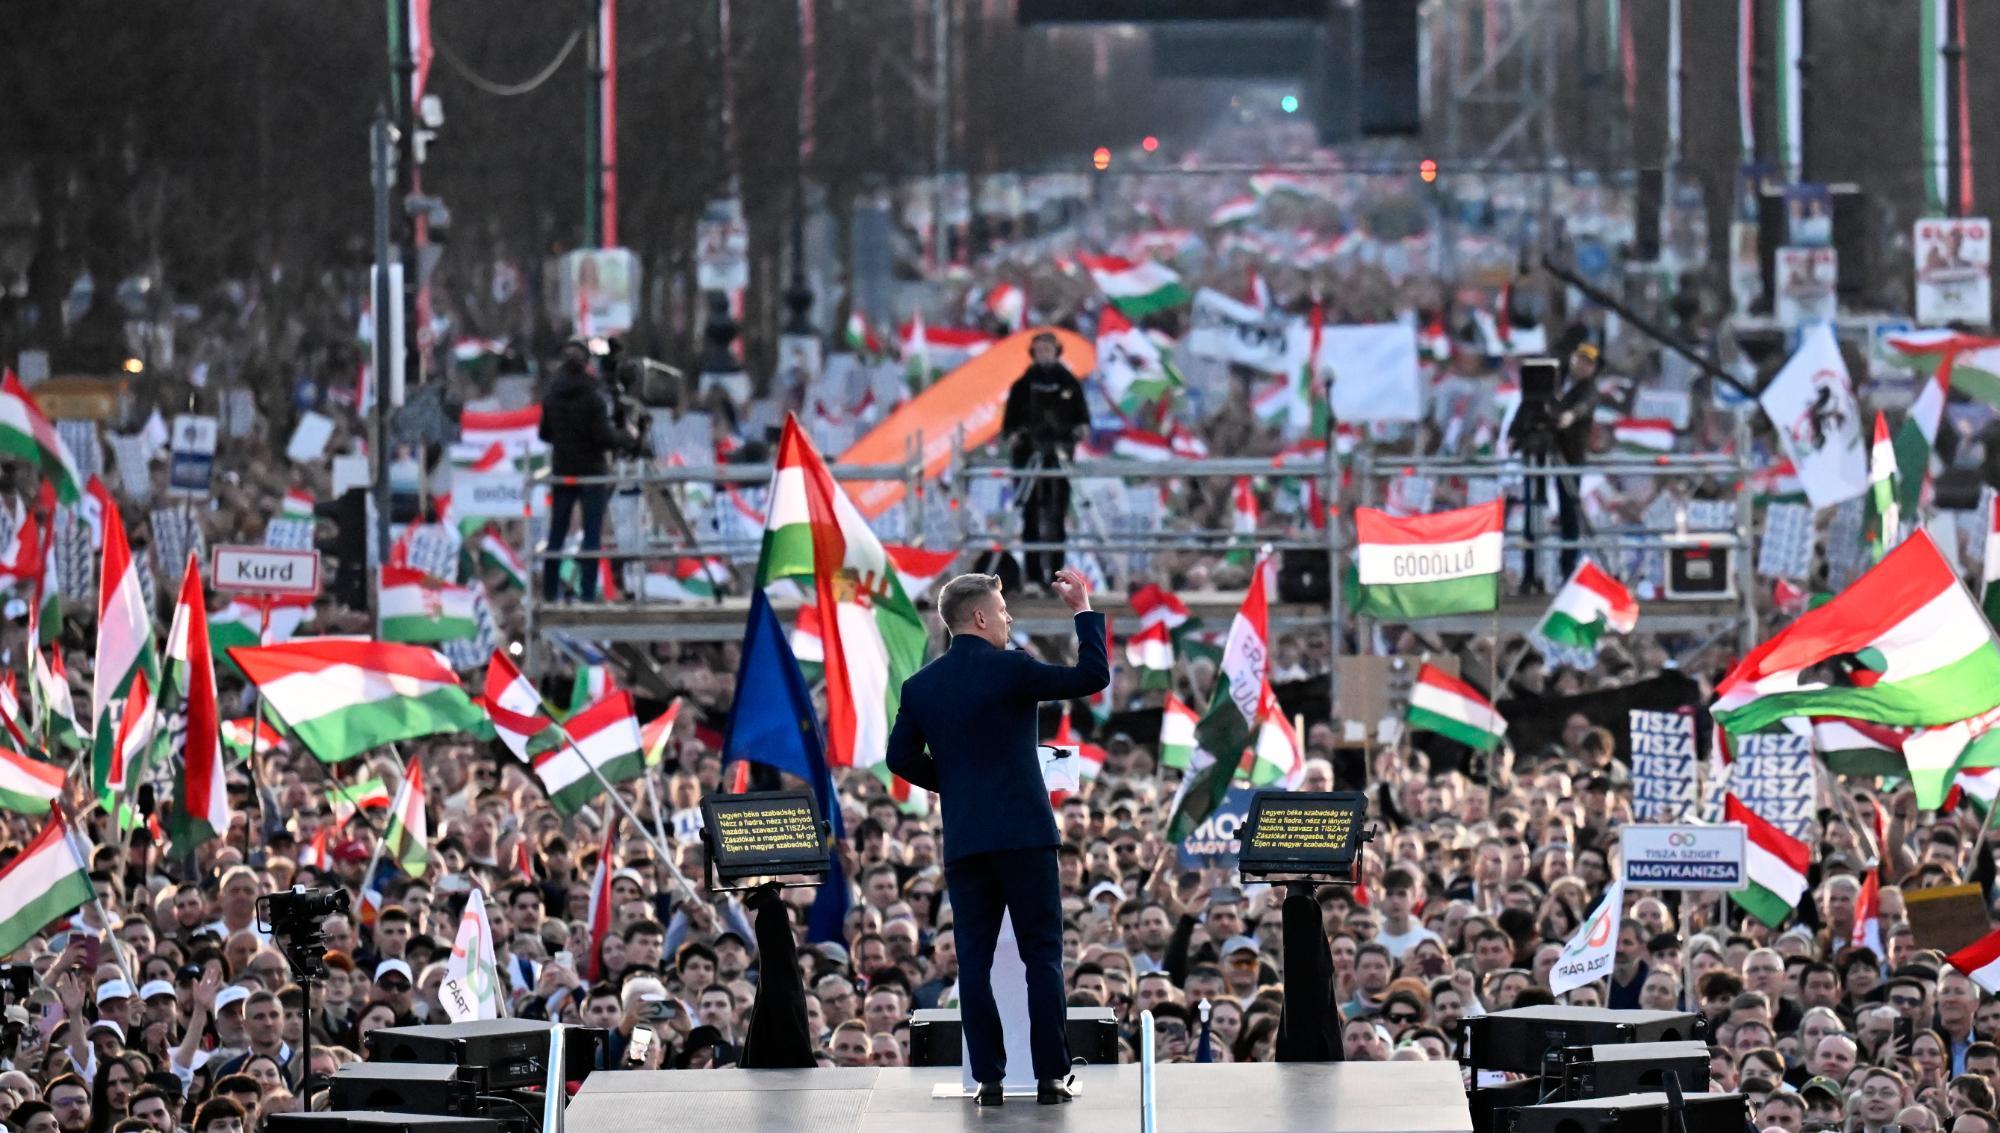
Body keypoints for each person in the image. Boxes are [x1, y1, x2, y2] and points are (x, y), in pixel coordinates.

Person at [886, 569, 1108, 1105]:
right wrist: (1082, 609)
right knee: (1043, 957)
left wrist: (957, 785)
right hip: (1026, 839)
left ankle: (989, 1080)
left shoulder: (921, 687)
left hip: (967, 842)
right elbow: (1092, 676)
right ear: (981, 617)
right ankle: (1051, 1077)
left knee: (975, 963)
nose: (1008, 622)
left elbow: (899, 758)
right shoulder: (1013, 669)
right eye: (1004, 613)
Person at [538, 337, 624, 604]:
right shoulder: (593, 398)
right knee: (591, 534)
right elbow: (604, 437)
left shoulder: (552, 395)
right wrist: (625, 437)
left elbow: (544, 433)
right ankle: (587, 592)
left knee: (557, 536)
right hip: (591, 473)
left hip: (563, 471)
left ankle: (550, 593)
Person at [1000, 333, 1089, 589]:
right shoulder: (1022, 386)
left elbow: (1082, 421)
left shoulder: (1070, 384)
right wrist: (1018, 436)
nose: (1044, 354)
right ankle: (1035, 576)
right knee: (1030, 515)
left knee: (1057, 514)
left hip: (1059, 458)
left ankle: (1056, 575)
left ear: (1056, 351)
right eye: (1039, 350)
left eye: (1048, 349)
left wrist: (1074, 432)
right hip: (1029, 458)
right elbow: (1009, 426)